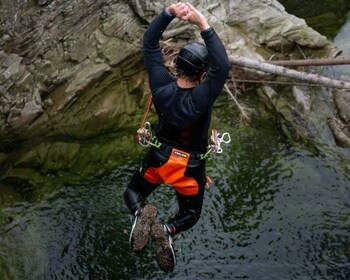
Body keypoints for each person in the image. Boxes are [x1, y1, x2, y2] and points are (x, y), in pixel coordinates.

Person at [124, 2, 230, 272]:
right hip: (189, 167)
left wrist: (169, 13)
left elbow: (149, 44)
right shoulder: (202, 97)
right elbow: (223, 65)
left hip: (159, 159)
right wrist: (202, 23)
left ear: (176, 64)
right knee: (190, 214)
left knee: (133, 192)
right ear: (204, 75)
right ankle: (167, 229)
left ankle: (140, 213)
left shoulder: (160, 83)